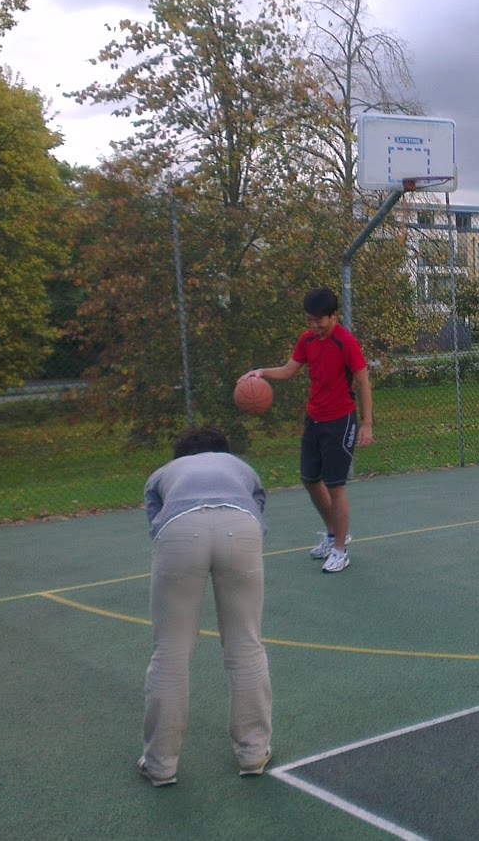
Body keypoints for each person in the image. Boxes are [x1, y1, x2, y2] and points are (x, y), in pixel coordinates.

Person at [138, 426, 273, 786]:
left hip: (179, 529)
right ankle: (253, 753)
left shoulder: (163, 473)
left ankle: (160, 765)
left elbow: (155, 522)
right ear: (223, 451)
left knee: (171, 650)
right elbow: (258, 505)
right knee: (245, 644)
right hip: (241, 527)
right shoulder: (240, 466)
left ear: (180, 456)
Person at [240, 287, 373, 574]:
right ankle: (332, 535)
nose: (313, 325)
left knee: (336, 487)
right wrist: (261, 372)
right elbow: (289, 370)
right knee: (310, 479)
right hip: (314, 419)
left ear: (333, 316)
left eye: (318, 320)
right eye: (309, 320)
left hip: (340, 421)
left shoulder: (346, 343)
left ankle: (341, 550)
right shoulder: (308, 339)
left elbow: (363, 382)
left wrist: (367, 424)